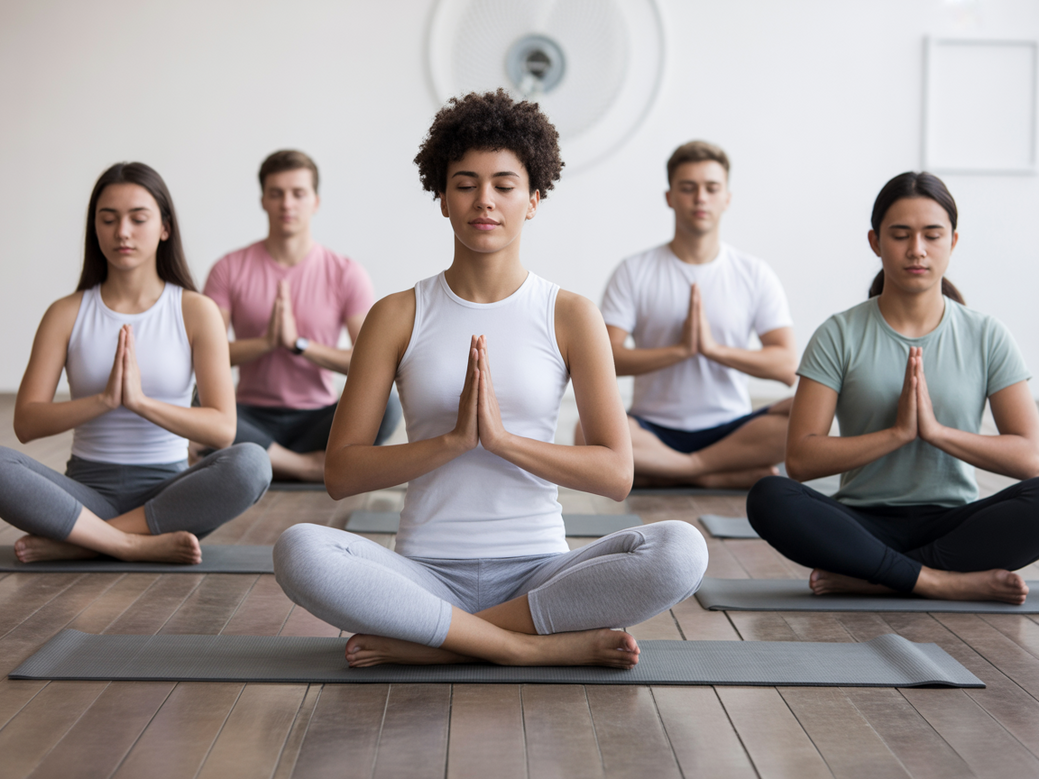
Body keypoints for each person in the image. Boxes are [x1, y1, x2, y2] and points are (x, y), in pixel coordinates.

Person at [273, 90, 708, 669]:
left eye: (505, 185)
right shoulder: (397, 314)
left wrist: (502, 441)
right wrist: (452, 442)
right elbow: (341, 472)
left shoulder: (570, 314)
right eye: (466, 183)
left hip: (542, 580)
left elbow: (616, 474)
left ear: (533, 199)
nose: (485, 201)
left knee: (681, 549)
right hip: (423, 576)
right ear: (443, 198)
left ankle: (444, 642)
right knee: (299, 549)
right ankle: (519, 649)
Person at [747, 172, 1039, 605]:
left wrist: (936, 432)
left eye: (932, 235)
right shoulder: (839, 333)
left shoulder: (987, 335)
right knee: (768, 496)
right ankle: (938, 581)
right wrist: (897, 434)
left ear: (953, 242)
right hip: (861, 523)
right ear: (875, 242)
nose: (916, 250)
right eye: (900, 235)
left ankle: (877, 574)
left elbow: (1030, 457)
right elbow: (801, 460)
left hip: (953, 523)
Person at [0, 162, 271, 564]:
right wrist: (104, 401)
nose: (122, 232)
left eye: (137, 219)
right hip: (84, 493)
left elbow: (222, 430)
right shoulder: (66, 312)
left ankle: (82, 541)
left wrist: (141, 402)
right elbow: (26, 422)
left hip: (167, 495)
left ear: (164, 227)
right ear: (95, 228)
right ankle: (127, 543)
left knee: (252, 464)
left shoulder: (195, 311)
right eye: (108, 219)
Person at [581, 141, 797, 488]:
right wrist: (679, 351)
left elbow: (786, 366)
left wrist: (713, 349)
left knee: (803, 414)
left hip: (732, 430)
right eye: (688, 188)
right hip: (651, 428)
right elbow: (605, 360)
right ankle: (713, 475)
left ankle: (669, 472)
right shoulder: (634, 270)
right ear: (670, 197)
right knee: (583, 430)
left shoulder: (754, 273)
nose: (700, 198)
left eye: (711, 188)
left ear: (727, 197)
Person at [200, 150, 401, 482]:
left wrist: (299, 345)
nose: (287, 204)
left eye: (298, 193)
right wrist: (266, 343)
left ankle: (269, 462)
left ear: (316, 202)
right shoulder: (228, 268)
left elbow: (369, 362)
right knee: (194, 400)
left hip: (320, 421)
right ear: (263, 200)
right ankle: (307, 466)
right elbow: (204, 356)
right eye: (276, 193)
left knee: (388, 402)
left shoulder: (346, 272)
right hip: (249, 418)